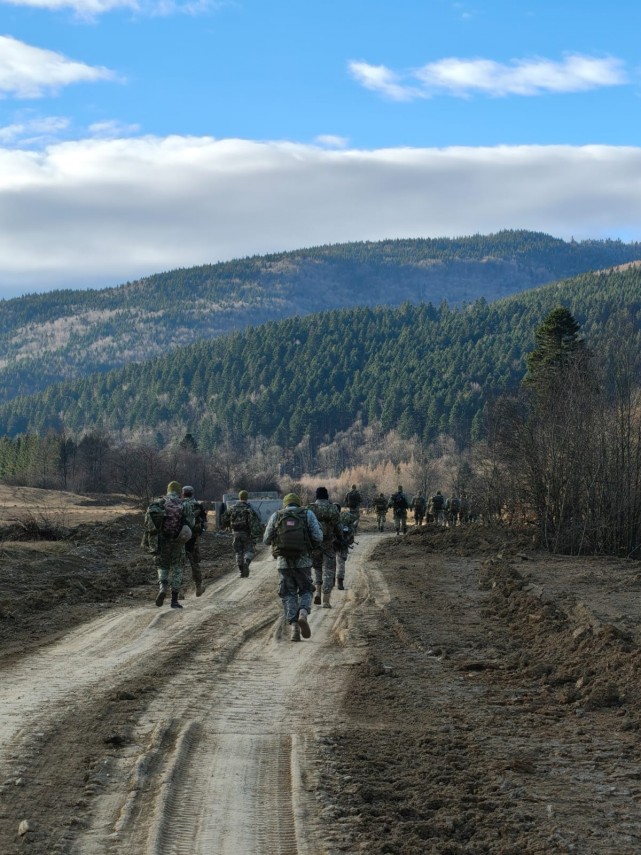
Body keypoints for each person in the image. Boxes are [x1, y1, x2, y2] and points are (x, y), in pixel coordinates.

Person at [263, 492, 323, 642]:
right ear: (298, 503)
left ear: (285, 503)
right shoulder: (307, 514)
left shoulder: (277, 516)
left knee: (288, 593)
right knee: (306, 590)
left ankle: (294, 626)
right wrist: (310, 548)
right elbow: (318, 537)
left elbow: (266, 539)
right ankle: (303, 613)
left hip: (283, 562)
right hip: (303, 561)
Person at [146, 480, 195, 609]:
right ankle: (174, 601)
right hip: (178, 541)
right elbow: (191, 523)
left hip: (162, 541)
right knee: (177, 569)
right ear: (179, 491)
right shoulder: (184, 504)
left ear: (168, 490)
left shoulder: (159, 502)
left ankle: (162, 587)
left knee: (162, 566)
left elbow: (150, 524)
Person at [309, 486, 342, 608]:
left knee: (317, 568)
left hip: (315, 544)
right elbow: (338, 527)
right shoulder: (333, 508)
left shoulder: (311, 508)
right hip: (329, 544)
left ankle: (317, 591)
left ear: (316, 495)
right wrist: (341, 538)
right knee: (328, 570)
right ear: (327, 495)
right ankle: (326, 600)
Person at [222, 490, 263, 577]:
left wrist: (227, 526)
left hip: (235, 533)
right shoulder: (250, 508)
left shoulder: (232, 508)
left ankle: (241, 571)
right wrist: (256, 534)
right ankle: (246, 563)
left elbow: (224, 518)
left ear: (239, 497)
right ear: (246, 497)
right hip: (247, 534)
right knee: (249, 550)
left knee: (238, 552)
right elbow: (256, 522)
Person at [181, 485, 208, 596]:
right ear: (192, 493)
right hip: (193, 539)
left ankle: (179, 592)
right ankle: (198, 587)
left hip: (180, 539)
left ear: (183, 493)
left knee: (179, 565)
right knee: (195, 564)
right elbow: (205, 525)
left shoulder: (179, 505)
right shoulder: (199, 505)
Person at [335, 505, 357, 590]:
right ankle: (340, 582)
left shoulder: (331, 518)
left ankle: (330, 582)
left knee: (329, 565)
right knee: (341, 564)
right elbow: (351, 538)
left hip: (330, 544)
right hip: (342, 545)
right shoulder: (347, 521)